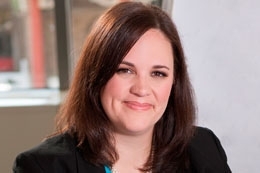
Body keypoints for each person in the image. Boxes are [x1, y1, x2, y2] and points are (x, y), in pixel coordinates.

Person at [13, 2, 231, 173]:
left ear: (175, 83)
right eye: (125, 70)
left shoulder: (203, 149)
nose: (142, 88)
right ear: (97, 74)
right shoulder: (42, 167)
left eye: (158, 73)